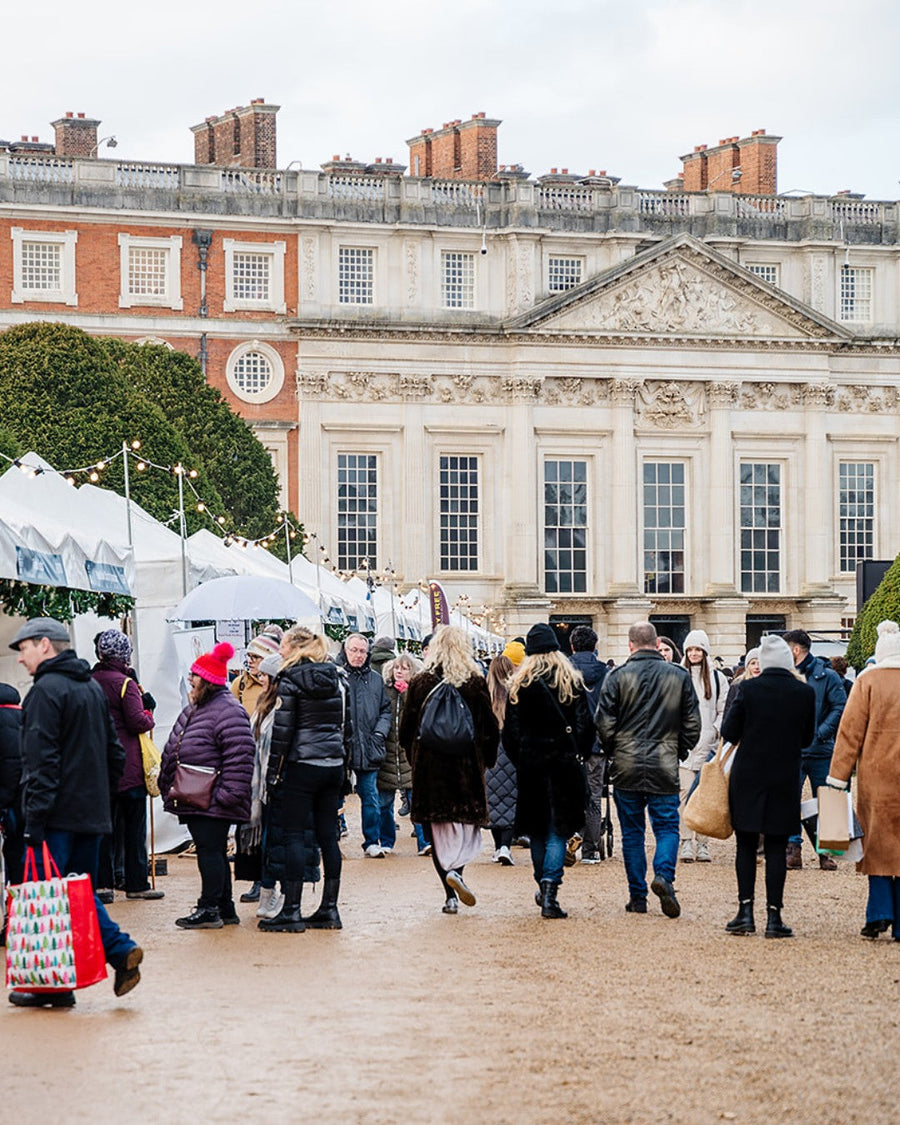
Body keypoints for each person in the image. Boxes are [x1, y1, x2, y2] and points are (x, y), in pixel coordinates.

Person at [8, 617, 144, 1007]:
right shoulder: (90, 689)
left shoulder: (44, 692)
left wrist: (34, 820)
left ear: (45, 644)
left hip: (55, 818)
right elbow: (115, 754)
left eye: (24, 648)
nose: (20, 658)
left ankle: (59, 983)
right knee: (75, 891)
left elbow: (41, 763)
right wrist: (102, 799)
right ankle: (103, 960)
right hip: (91, 814)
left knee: (51, 896)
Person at [596, 621, 701, 918]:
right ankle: (664, 875)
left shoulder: (617, 676)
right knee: (667, 826)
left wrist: (614, 750)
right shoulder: (678, 675)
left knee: (632, 833)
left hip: (626, 763)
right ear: (657, 644)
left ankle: (637, 896)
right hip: (664, 762)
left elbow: (603, 723)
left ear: (630, 645)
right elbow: (693, 724)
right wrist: (678, 749)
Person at [399, 626, 499, 914]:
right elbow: (489, 727)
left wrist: (415, 758)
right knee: (464, 828)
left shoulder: (420, 683)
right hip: (466, 767)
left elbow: (406, 729)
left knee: (438, 832)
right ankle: (457, 873)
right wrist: (486, 760)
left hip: (430, 768)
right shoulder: (474, 682)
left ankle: (449, 895)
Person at [721, 635, 815, 938]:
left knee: (746, 844)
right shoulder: (804, 692)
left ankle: (745, 912)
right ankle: (774, 916)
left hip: (748, 774)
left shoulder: (748, 689)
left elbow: (729, 731)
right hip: (784, 775)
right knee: (776, 846)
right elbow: (807, 738)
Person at [159, 642, 255, 929]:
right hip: (197, 796)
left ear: (207, 680)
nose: (190, 680)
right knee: (212, 851)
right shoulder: (199, 707)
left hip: (212, 797)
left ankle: (209, 908)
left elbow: (240, 757)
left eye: (194, 675)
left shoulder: (228, 711)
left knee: (209, 852)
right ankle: (225, 908)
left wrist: (226, 796)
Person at [263, 625, 350, 932]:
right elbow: (347, 725)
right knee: (328, 836)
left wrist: (273, 773)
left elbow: (283, 731)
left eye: (284, 646)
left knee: (294, 835)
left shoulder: (290, 678)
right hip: (333, 763)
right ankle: (329, 908)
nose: (281, 651)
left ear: (295, 648)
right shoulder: (337, 677)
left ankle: (292, 910)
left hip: (302, 764)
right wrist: (345, 766)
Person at [504, 624, 592, 918]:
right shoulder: (570, 681)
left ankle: (543, 883)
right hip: (564, 765)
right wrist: (578, 753)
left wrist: (522, 759)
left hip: (532, 766)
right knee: (558, 830)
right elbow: (585, 726)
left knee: (537, 830)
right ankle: (550, 889)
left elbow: (510, 734)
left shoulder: (520, 685)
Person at [827, 620, 900, 941]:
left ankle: (879, 913)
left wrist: (837, 777)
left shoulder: (867, 681)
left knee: (877, 845)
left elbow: (850, 733)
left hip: (877, 776)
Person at [91, 629, 163, 901]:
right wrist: (149, 712)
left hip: (99, 765)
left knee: (103, 829)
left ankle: (103, 885)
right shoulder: (126, 684)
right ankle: (136, 884)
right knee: (134, 828)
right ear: (125, 655)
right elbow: (137, 722)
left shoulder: (88, 682)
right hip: (128, 766)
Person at [782, 629, 846, 871]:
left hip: (821, 749)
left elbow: (839, 706)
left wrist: (820, 732)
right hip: (793, 749)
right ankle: (793, 848)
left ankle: (826, 851)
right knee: (789, 799)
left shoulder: (828, 676)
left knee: (827, 801)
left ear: (796, 650)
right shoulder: (786, 675)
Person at [337, 633, 392, 858]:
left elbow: (385, 710)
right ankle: (332, 840)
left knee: (370, 796)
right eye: (354, 650)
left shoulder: (376, 679)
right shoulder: (336, 676)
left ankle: (371, 840)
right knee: (335, 797)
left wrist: (379, 733)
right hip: (340, 747)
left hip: (369, 746)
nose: (358, 655)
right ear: (345, 650)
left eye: (362, 651)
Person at [679, 630, 728, 864]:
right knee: (684, 796)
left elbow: (724, 709)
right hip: (684, 747)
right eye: (690, 649)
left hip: (709, 746)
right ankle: (686, 841)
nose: (694, 653)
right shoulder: (679, 675)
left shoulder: (718, 679)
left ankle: (703, 843)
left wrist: (715, 731)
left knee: (706, 797)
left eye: (698, 649)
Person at [568, 625, 608, 864]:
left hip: (569, 743)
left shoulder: (562, 670)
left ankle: (569, 838)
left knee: (567, 794)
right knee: (593, 796)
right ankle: (590, 849)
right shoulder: (606, 673)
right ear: (595, 647)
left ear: (572, 646)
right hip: (596, 744)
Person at [381, 650, 427, 855]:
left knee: (416, 800)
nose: (399, 671)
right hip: (388, 752)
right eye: (397, 668)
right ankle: (386, 841)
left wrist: (407, 693)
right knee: (384, 803)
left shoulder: (417, 692)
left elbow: (419, 715)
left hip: (409, 753)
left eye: (405, 668)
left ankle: (424, 842)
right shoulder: (385, 691)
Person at [484, 654, 517, 865]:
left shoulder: (485, 696)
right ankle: (505, 846)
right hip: (511, 753)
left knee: (493, 802)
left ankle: (498, 847)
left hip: (491, 754)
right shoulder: (516, 695)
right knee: (511, 800)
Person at [0, 682, 24, 892]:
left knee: (13, 853)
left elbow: (9, 765)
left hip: (10, 801)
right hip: (30, 797)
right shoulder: (24, 715)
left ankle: (15, 901)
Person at [230, 631, 281, 716]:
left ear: (269, 659)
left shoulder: (282, 685)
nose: (250, 661)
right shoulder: (240, 683)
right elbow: (230, 716)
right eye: (249, 656)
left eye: (255, 657)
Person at [721, 647, 760, 729]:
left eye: (759, 663)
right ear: (747, 666)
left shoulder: (769, 686)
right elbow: (727, 715)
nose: (757, 667)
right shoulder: (736, 686)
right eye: (753, 663)